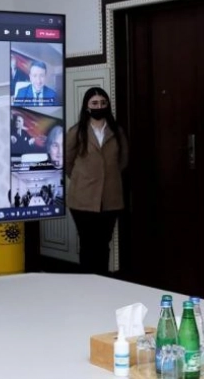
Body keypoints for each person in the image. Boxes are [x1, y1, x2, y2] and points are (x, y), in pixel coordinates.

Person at [65, 87, 128, 275]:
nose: (99, 106)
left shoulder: (117, 131)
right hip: (82, 199)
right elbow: (67, 162)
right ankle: (87, 284)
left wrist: (107, 176)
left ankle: (103, 282)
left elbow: (123, 161)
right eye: (94, 103)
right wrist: (83, 178)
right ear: (87, 106)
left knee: (103, 244)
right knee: (88, 244)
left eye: (102, 103)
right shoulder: (77, 131)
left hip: (110, 199)